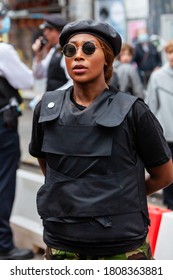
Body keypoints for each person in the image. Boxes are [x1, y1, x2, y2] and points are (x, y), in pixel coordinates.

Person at [29, 19, 173, 260]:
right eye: (70, 50)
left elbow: (165, 175)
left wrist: (122, 196)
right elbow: (48, 166)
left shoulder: (134, 111)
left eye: (88, 48)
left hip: (122, 248)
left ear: (106, 57)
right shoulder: (46, 107)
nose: (78, 56)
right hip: (62, 245)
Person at [0, 6, 34, 260]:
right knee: (3, 185)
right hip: (3, 126)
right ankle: (3, 245)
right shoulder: (3, 50)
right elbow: (26, 81)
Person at [146, 39, 173, 210]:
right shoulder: (157, 77)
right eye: (170, 52)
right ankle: (169, 206)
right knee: (169, 174)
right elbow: (151, 106)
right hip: (166, 134)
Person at [32, 14, 72, 92]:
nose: (44, 34)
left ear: (56, 31)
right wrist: (38, 56)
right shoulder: (54, 50)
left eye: (46, 30)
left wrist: (54, 95)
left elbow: (73, 82)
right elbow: (39, 75)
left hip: (63, 100)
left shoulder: (67, 51)